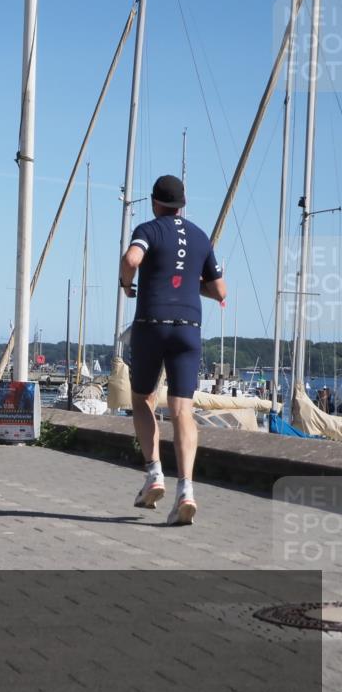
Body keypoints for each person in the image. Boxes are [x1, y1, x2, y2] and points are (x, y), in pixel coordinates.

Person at [119, 175, 227, 526]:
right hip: (188, 328)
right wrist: (191, 281)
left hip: (152, 324)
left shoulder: (148, 230)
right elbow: (220, 291)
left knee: (142, 399)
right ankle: (186, 491)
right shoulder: (200, 237)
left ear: (155, 203)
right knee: (183, 410)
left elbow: (131, 259)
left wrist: (126, 284)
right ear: (183, 204)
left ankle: (154, 473)